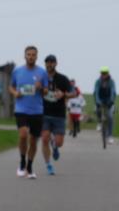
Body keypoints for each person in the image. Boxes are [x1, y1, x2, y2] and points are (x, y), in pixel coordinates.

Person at [9, 46, 47, 179]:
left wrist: (40, 87)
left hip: (37, 110)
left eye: (33, 55)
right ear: (24, 56)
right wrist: (15, 93)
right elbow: (11, 87)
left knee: (33, 140)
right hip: (21, 109)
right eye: (28, 54)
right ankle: (22, 162)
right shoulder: (17, 71)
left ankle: (30, 166)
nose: (31, 57)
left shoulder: (42, 72)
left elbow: (46, 92)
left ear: (37, 57)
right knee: (23, 134)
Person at [40, 54, 73, 176]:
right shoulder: (41, 78)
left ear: (56, 63)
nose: (49, 64)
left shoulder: (63, 79)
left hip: (59, 115)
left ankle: (55, 146)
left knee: (59, 142)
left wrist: (63, 94)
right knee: (44, 139)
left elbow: (73, 92)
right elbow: (34, 90)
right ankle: (48, 165)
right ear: (45, 64)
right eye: (47, 62)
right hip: (44, 113)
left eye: (52, 62)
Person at [93, 67, 117, 145]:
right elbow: (96, 92)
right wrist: (97, 101)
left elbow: (113, 92)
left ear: (108, 73)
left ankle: (110, 136)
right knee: (97, 110)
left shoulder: (111, 82)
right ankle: (99, 122)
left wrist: (111, 101)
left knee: (110, 116)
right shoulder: (98, 81)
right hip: (100, 99)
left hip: (109, 100)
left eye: (105, 73)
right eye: (102, 73)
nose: (103, 75)